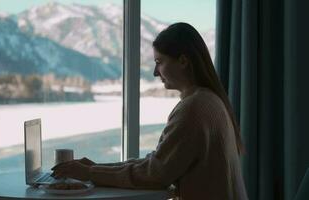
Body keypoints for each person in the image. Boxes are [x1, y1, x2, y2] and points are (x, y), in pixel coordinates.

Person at [51, 22, 249, 200]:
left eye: (159, 62)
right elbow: (159, 162)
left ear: (182, 61)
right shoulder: (208, 100)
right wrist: (95, 168)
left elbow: (156, 174)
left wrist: (90, 173)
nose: (155, 73)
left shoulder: (194, 108)